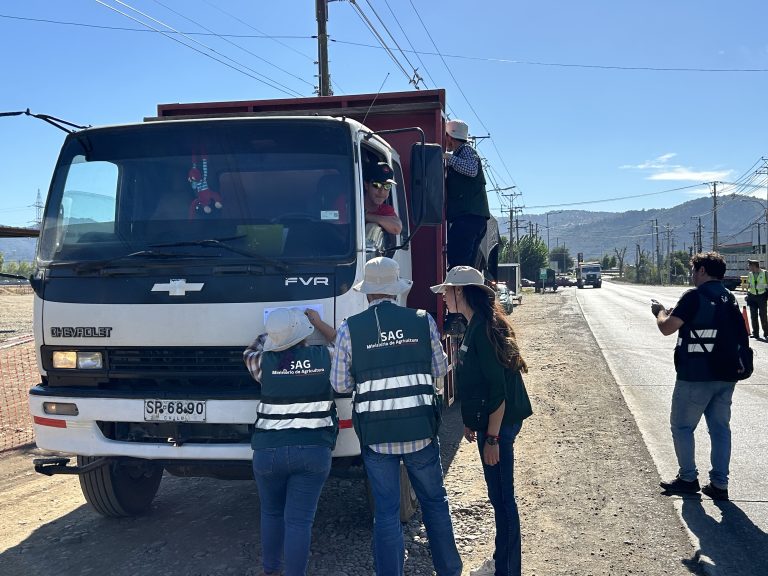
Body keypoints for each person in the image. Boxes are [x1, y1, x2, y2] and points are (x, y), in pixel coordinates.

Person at [330, 256, 462, 576]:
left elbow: (339, 384)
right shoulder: (422, 320)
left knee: (387, 514)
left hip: (377, 436)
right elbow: (441, 369)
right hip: (420, 431)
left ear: (367, 293)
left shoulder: (350, 330)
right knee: (434, 502)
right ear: (397, 290)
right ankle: (449, 569)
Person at [431, 266, 533, 576]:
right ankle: (503, 563)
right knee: (498, 497)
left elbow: (498, 392)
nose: (444, 297)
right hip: (491, 424)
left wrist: (492, 438)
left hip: (499, 427)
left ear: (460, 291)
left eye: (447, 291)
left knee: (503, 500)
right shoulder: (475, 325)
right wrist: (472, 421)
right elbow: (478, 384)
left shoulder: (484, 330)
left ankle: (508, 570)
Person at [243, 307, 338, 576]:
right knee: (299, 521)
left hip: (268, 452)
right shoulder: (325, 357)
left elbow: (250, 350)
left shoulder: (263, 363)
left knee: (271, 513)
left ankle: (270, 570)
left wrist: (272, 332)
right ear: (304, 334)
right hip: (313, 451)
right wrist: (318, 323)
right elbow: (344, 344)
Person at [652, 252, 744, 501]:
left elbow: (667, 328)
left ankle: (688, 478)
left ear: (702, 270)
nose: (692, 275)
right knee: (720, 429)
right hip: (727, 374)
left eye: (694, 270)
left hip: (695, 375)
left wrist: (660, 312)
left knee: (682, 427)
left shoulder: (694, 296)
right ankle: (719, 484)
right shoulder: (730, 298)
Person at [443, 120, 491, 269]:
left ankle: (460, 291)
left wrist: (448, 158)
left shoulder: (466, 150)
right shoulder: (462, 152)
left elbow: (471, 169)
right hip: (473, 219)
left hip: (468, 219)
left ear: (449, 137)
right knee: (465, 267)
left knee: (459, 265)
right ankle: (464, 291)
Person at [363, 161, 403, 235]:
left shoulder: (385, 210)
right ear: (366, 185)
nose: (382, 191)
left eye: (387, 186)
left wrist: (366, 216)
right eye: (377, 185)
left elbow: (397, 228)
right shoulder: (348, 204)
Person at [746, 258, 767, 339]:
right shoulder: (750, 274)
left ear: (754, 266)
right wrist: (747, 294)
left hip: (762, 296)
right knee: (753, 316)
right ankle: (755, 334)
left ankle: (766, 333)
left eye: (750, 265)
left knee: (763, 316)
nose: (748, 267)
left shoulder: (765, 273)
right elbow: (750, 285)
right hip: (752, 297)